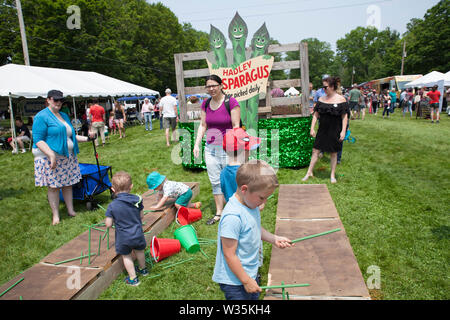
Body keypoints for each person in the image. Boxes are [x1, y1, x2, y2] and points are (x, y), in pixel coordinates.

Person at [212, 160, 293, 300]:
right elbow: (229, 254)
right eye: (262, 197)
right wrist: (246, 281)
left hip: (249, 273)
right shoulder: (233, 217)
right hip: (235, 281)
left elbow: (254, 227)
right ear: (244, 189)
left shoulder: (251, 205)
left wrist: (274, 239)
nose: (264, 202)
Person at [32, 90, 96, 225]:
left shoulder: (64, 116)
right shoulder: (41, 116)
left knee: (68, 184)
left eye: (61, 100)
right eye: (55, 100)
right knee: (54, 187)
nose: (59, 103)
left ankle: (71, 210)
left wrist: (88, 138)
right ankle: (56, 216)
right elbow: (38, 139)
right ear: (48, 100)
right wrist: (50, 155)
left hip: (67, 156)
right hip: (50, 157)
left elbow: (71, 136)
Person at [193, 75, 241, 225]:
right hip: (210, 149)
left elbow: (236, 126)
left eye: (214, 85)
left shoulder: (231, 102)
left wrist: (233, 147)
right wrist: (196, 144)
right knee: (215, 181)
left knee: (232, 179)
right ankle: (219, 213)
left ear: (221, 85)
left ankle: (236, 209)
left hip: (228, 148)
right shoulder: (205, 104)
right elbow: (202, 125)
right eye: (208, 86)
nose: (211, 89)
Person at [302, 76, 348, 184]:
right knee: (315, 151)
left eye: (325, 87)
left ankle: (332, 175)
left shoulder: (341, 99)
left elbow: (344, 116)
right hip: (322, 130)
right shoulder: (321, 99)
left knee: (333, 153)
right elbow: (315, 115)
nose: (323, 89)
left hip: (335, 130)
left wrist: (343, 131)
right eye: (323, 87)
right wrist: (312, 128)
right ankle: (309, 172)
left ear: (332, 87)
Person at [105, 171, 148, 286]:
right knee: (139, 251)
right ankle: (143, 270)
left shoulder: (112, 206)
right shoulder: (137, 200)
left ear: (113, 189)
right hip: (138, 233)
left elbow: (108, 224)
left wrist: (113, 219)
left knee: (127, 256)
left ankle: (133, 278)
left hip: (124, 237)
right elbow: (141, 216)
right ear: (131, 186)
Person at [220, 128, 261, 203]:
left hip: (232, 210)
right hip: (248, 212)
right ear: (244, 151)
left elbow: (224, 199)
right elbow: (257, 203)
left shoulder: (223, 173)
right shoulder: (247, 173)